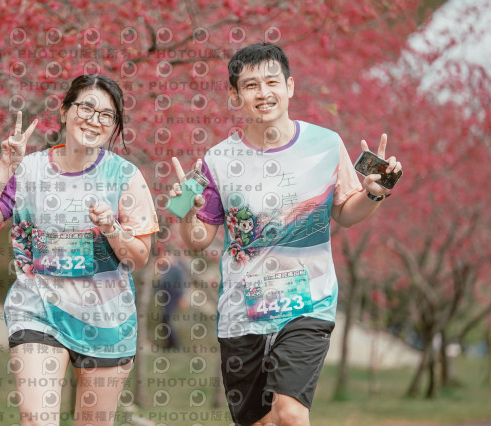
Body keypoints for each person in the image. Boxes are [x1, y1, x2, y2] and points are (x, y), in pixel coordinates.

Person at [167, 43, 402, 426]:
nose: (263, 92)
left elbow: (345, 212)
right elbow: (198, 239)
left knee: (291, 414)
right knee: (260, 421)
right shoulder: (218, 160)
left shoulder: (326, 145)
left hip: (308, 305)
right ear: (235, 95)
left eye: (272, 82)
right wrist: (186, 213)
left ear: (289, 87)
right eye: (251, 85)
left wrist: (375, 193)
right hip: (242, 313)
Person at [0, 74, 158, 426]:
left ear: (115, 126)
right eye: (86, 108)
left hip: (106, 320)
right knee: (36, 419)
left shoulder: (125, 177)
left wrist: (111, 228)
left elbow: (139, 257)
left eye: (107, 115)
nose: (94, 120)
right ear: (65, 111)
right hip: (38, 311)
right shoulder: (30, 169)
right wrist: (6, 165)